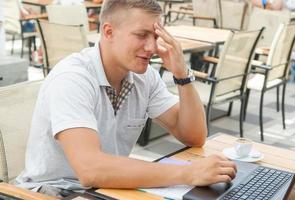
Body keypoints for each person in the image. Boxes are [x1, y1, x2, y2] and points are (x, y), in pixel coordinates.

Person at [15, 0, 237, 198]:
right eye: (142, 35)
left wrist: (182, 75)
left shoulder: (144, 77)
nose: (152, 48)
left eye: (156, 36)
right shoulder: (73, 78)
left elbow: (194, 136)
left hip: (106, 188)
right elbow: (91, 170)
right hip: (55, 191)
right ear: (109, 32)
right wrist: (188, 173)